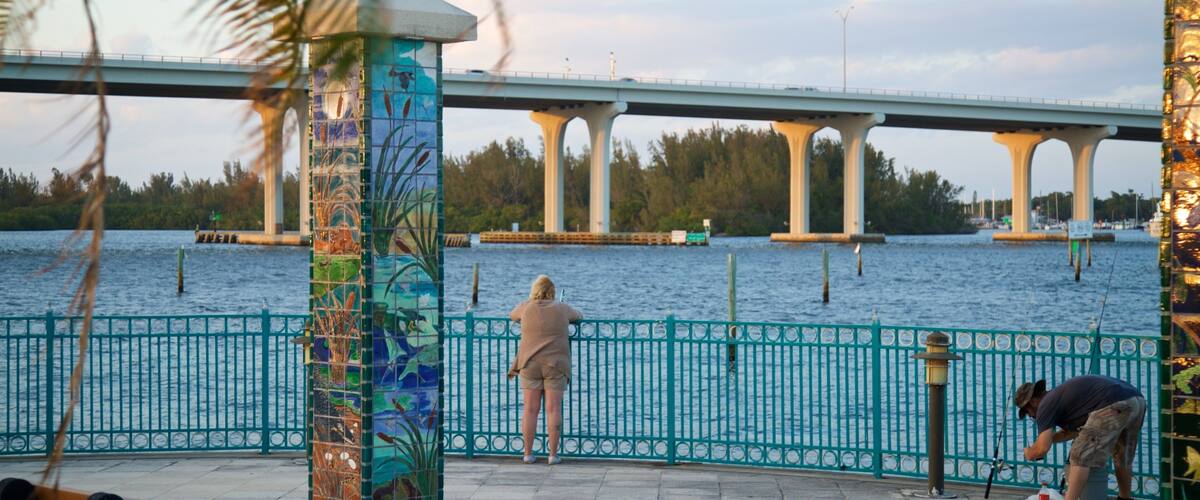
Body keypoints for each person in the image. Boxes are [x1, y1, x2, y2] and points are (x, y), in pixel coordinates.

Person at [1014, 375, 1145, 500]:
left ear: (1033, 401)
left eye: (1027, 411)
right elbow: (1072, 432)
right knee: (1122, 456)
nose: (1030, 416)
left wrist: (1030, 452)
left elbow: (1042, 449)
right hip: (1136, 401)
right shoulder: (1058, 397)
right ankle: (1125, 498)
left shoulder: (1045, 405)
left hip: (1112, 404)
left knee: (1079, 455)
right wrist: (1049, 439)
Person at [507, 275, 582, 465]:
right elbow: (579, 316)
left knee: (530, 410)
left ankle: (527, 454)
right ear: (553, 291)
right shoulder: (561, 307)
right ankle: (553, 455)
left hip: (529, 363)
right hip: (555, 364)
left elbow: (512, 314)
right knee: (553, 409)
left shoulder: (526, 306)